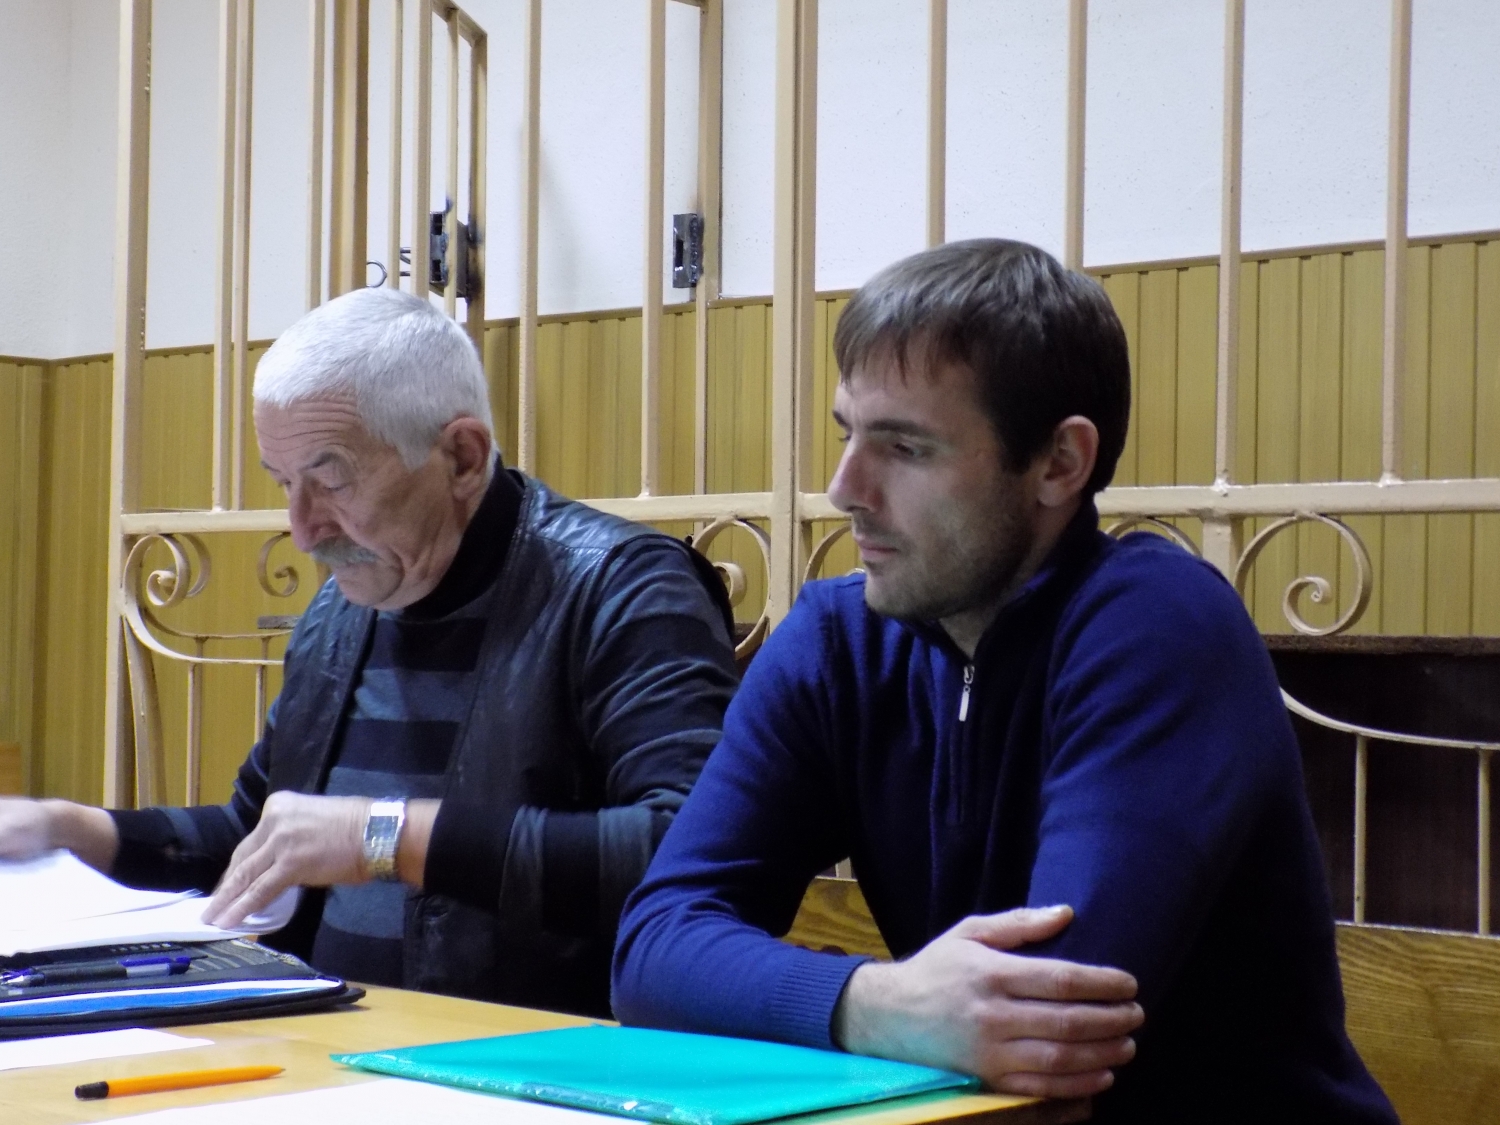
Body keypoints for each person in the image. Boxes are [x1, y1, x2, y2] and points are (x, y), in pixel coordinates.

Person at [612, 240, 1398, 1122]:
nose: (844, 487)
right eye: (846, 434)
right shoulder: (837, 643)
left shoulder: (1161, 626)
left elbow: (1049, 1014)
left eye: (905, 447)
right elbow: (652, 949)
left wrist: (838, 1005)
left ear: (1059, 463)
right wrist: (873, 1002)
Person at [0, 287, 739, 1018]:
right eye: (285, 484)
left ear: (462, 457)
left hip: (534, 1058)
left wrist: (381, 835)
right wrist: (71, 830)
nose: (303, 529)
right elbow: (262, 838)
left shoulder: (623, 589)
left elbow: (687, 851)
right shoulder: (343, 610)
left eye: (330, 481)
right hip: (327, 1048)